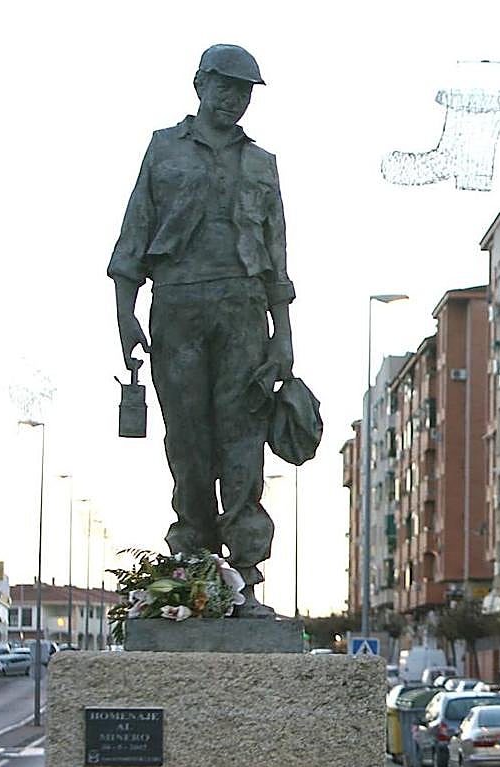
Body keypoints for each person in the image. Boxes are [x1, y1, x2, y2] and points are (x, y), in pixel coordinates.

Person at [108, 45, 296, 617]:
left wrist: (283, 335)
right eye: (224, 85)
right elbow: (135, 230)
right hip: (178, 306)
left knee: (242, 441)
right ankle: (193, 566)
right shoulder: (164, 147)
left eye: (243, 90)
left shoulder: (262, 163)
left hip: (243, 310)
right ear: (199, 83)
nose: (233, 98)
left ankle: (244, 577)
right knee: (187, 442)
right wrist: (124, 313)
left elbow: (277, 254)